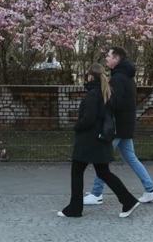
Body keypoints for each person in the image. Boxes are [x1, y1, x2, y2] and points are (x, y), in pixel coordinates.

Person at [58, 63, 140, 218]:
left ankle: (75, 208)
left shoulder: (93, 94)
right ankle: (128, 200)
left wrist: (77, 126)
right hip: (101, 140)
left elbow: (88, 118)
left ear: (90, 76)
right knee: (104, 172)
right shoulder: (106, 92)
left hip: (88, 141)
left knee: (77, 171)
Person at [83, 47, 153, 205]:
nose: (106, 59)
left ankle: (97, 193)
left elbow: (114, 103)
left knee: (101, 158)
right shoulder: (127, 77)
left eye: (109, 56)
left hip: (116, 126)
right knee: (131, 158)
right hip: (125, 125)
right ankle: (151, 189)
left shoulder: (118, 78)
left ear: (116, 59)